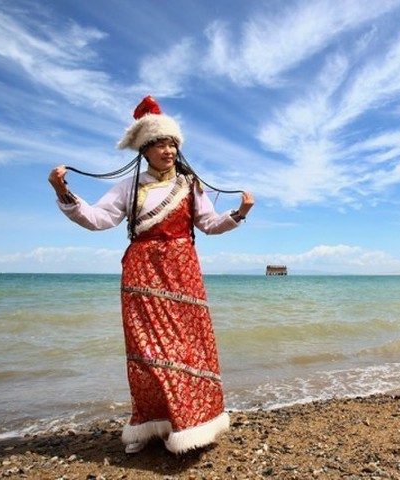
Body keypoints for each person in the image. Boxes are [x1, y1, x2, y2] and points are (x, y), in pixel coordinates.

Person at [48, 96, 254, 454]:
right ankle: (150, 426)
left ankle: (191, 426)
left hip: (182, 271)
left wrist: (239, 213)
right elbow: (97, 219)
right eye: (160, 144)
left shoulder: (190, 185)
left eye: (172, 144)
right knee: (146, 350)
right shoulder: (129, 187)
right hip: (141, 273)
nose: (168, 151)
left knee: (187, 348)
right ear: (145, 150)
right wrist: (62, 191)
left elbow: (208, 224)